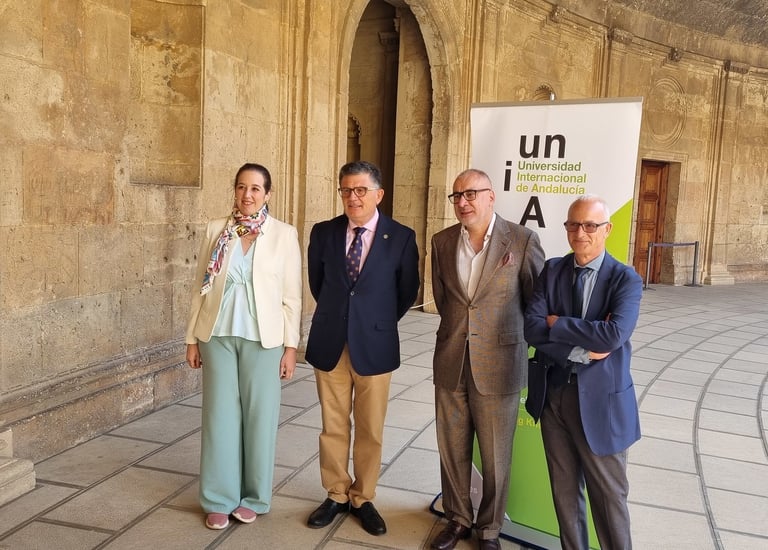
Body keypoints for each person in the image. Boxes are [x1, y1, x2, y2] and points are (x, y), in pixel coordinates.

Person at [430, 169, 545, 550]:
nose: (463, 202)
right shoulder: (442, 241)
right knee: (452, 448)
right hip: (451, 358)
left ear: (491, 196)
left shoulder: (522, 240)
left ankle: (490, 528)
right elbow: (446, 301)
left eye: (471, 194)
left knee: (496, 456)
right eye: (457, 196)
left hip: (499, 363)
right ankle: (458, 518)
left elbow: (535, 303)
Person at [304, 160, 420, 536]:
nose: (352, 197)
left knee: (371, 428)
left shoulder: (401, 237)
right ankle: (337, 493)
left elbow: (406, 292)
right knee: (333, 426)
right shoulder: (323, 232)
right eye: (346, 190)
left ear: (378, 194)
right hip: (331, 341)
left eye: (360, 190)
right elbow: (318, 284)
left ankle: (362, 497)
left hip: (375, 343)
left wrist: (372, 320)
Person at [185, 163, 302, 530]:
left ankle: (254, 497)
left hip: (264, 339)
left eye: (255, 188)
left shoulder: (283, 234)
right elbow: (200, 287)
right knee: (219, 417)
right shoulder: (216, 230)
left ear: (267, 194)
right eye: (241, 187)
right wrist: (191, 338)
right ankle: (218, 498)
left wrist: (291, 347)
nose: (247, 195)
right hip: (217, 335)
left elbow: (292, 297)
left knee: (259, 417)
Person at [524, 195, 643, 550]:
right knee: (564, 494)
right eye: (573, 224)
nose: (580, 233)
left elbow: (613, 335)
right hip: (554, 397)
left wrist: (557, 323)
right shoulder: (552, 270)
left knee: (609, 499)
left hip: (602, 404)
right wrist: (582, 349)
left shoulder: (625, 279)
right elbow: (532, 328)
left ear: (607, 229)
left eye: (590, 225)